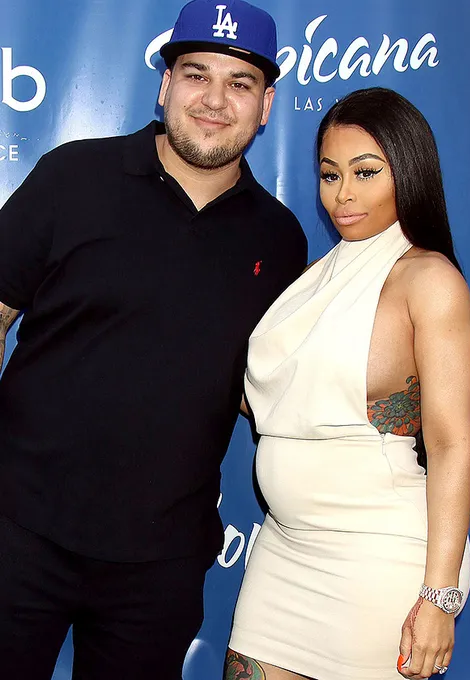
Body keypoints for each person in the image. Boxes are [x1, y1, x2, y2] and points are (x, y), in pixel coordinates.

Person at [0, 1, 307, 678]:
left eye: (240, 83)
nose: (215, 101)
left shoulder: (280, 239)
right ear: (165, 84)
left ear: (266, 106)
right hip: (17, 528)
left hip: (161, 563)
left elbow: (263, 387)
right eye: (197, 74)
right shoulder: (72, 176)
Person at [225, 87, 470, 680]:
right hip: (283, 550)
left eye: (365, 173)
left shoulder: (428, 279)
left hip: (380, 560)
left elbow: (450, 443)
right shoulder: (313, 279)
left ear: (408, 170)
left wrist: (440, 597)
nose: (343, 194)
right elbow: (272, 401)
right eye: (330, 174)